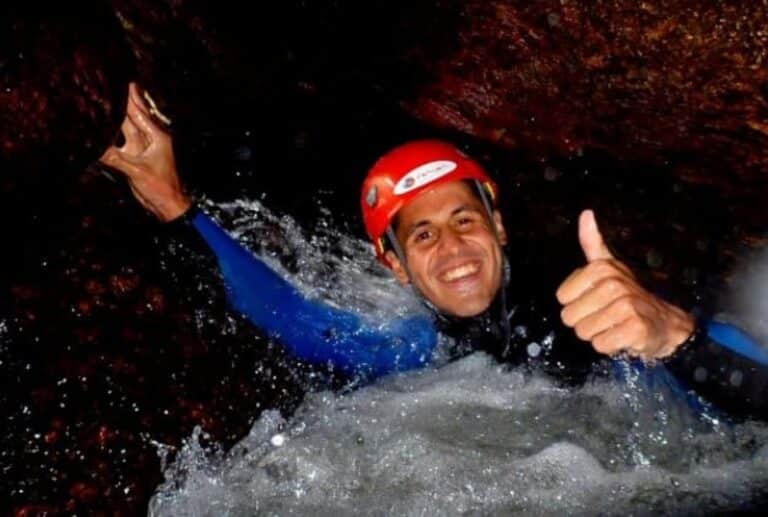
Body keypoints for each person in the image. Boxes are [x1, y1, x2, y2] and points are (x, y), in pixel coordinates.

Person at [101, 83, 768, 419]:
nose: (452, 247)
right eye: (421, 233)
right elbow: (282, 314)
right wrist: (173, 204)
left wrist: (675, 338)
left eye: (463, 219)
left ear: (499, 225)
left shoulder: (606, 318)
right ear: (393, 263)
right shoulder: (410, 351)